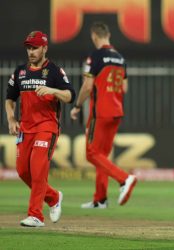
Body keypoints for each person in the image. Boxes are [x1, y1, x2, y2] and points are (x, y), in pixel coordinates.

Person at [5, 31, 75, 227]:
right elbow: (10, 98)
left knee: (37, 169)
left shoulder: (54, 71)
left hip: (47, 127)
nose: (31, 52)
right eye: (28, 48)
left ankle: (36, 215)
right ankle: (53, 197)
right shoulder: (20, 72)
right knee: (22, 171)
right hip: (25, 129)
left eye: (35, 48)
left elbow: (70, 96)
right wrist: (11, 119)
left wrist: (53, 90)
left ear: (44, 48)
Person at [70, 22, 137, 208]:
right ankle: (100, 199)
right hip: (116, 111)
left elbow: (87, 86)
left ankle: (124, 179)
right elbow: (124, 87)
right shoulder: (120, 58)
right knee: (102, 156)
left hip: (100, 112)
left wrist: (76, 106)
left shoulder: (96, 56)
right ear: (108, 35)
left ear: (94, 36)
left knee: (91, 154)